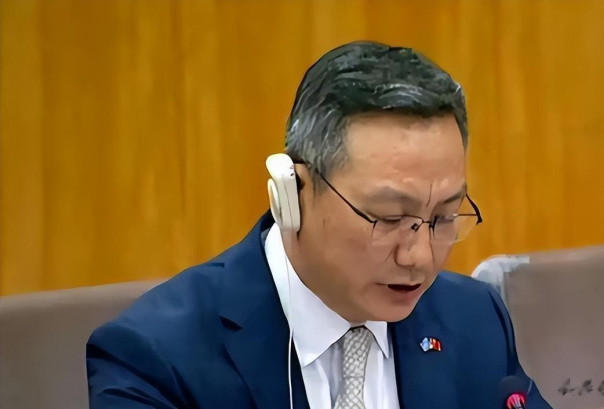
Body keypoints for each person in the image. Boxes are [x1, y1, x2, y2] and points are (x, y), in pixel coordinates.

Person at [87, 41, 551, 409]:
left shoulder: (474, 321)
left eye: (443, 218)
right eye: (389, 218)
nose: (420, 257)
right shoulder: (157, 359)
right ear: (293, 193)